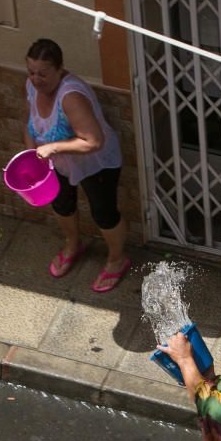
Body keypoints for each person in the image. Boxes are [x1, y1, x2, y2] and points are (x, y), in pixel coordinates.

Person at [23, 38, 130, 292]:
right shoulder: (31, 85)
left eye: (43, 74)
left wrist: (53, 147)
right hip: (58, 163)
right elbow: (29, 121)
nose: (36, 79)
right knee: (61, 202)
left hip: (95, 162)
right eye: (32, 72)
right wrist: (30, 150)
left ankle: (117, 259)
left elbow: (93, 141)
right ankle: (73, 244)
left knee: (103, 213)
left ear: (60, 70)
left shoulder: (71, 97)